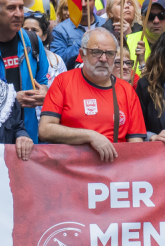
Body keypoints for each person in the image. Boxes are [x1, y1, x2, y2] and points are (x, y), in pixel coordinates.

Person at [40, 27, 146, 160]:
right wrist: (90, 136)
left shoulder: (127, 91)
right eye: (96, 52)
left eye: (110, 54)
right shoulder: (63, 82)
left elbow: (136, 145)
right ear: (82, 54)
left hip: (113, 172)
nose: (103, 58)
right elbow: (45, 129)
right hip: (70, 171)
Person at [0, 0, 50, 141]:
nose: (19, 14)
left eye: (21, 7)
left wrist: (43, 91)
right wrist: (12, 99)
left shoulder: (33, 40)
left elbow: (42, 80)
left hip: (29, 132)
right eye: (11, 8)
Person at [51, 0, 105, 69]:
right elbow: (57, 62)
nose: (83, 4)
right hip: (73, 79)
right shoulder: (60, 30)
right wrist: (82, 42)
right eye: (79, 1)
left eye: (87, 0)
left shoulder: (106, 25)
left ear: (94, 0)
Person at [127, 0, 165, 68]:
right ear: (142, 19)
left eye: (162, 15)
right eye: (150, 16)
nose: (156, 21)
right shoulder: (127, 42)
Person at [22, 13, 64, 88]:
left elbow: (64, 89)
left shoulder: (57, 61)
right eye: (25, 29)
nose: (29, 33)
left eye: (34, 30)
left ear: (44, 36)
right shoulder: (15, 59)